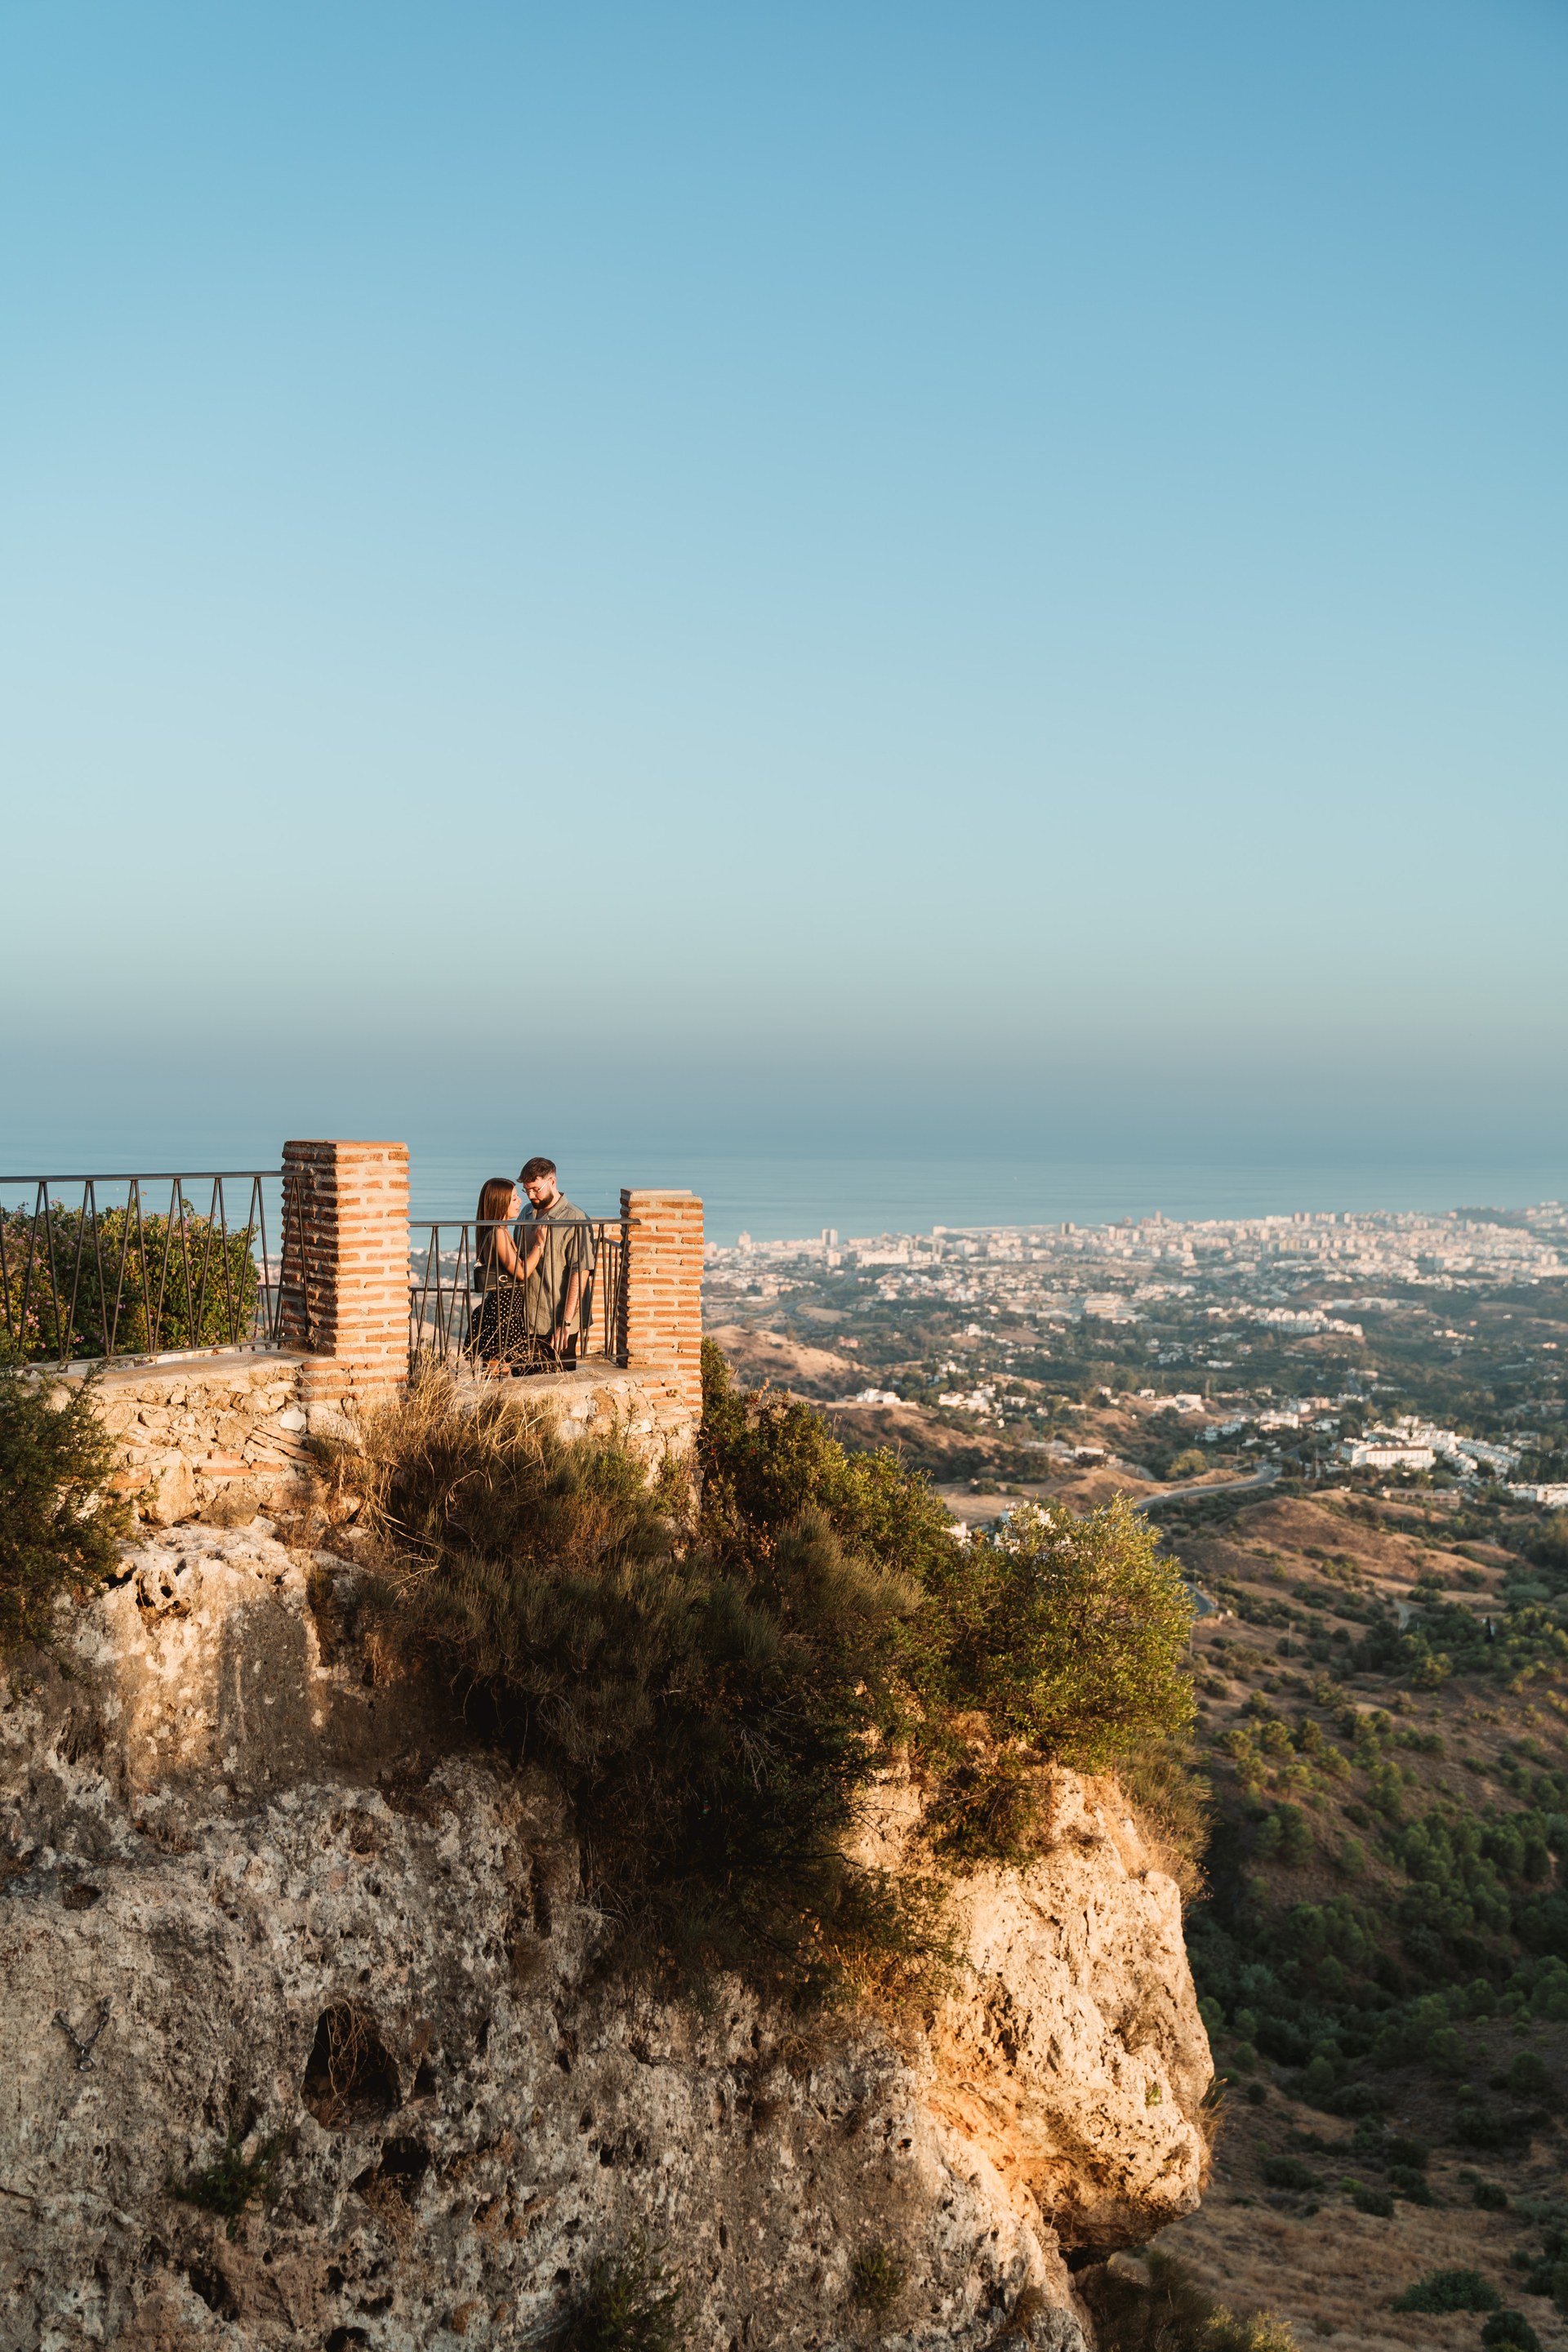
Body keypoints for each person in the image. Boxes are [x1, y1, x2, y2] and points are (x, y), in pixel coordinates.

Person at [514, 1156, 595, 1363]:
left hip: (555, 1325)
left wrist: (565, 1324)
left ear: (552, 1182)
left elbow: (581, 1273)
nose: (531, 1195)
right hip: (525, 1320)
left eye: (536, 1189)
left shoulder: (575, 1219)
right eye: (526, 1190)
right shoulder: (526, 1213)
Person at [466, 1176, 532, 1372]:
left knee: (499, 1368)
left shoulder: (500, 1230)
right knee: (498, 1370)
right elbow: (521, 1272)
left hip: (505, 1306)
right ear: (500, 1202)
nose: (520, 1200)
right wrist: (539, 1245)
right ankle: (492, 1403)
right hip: (503, 1307)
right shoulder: (498, 1232)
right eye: (514, 1198)